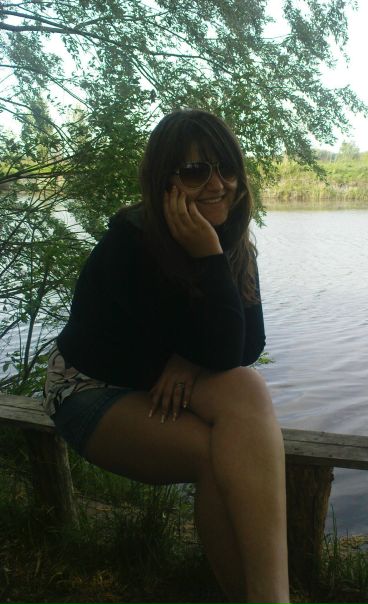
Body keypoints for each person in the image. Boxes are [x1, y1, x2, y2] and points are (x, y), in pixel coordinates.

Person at [43, 109, 290, 604]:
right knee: (216, 457)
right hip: (88, 386)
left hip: (155, 380)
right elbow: (126, 354)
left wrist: (190, 357)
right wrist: (207, 261)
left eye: (226, 168)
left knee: (247, 386)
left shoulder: (232, 240)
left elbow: (246, 347)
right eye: (196, 171)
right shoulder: (131, 242)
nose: (216, 185)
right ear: (164, 182)